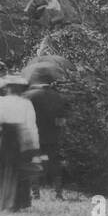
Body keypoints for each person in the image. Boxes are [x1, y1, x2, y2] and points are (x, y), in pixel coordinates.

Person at [0, 75, 41, 211]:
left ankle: (6, 200)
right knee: (20, 169)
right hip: (21, 137)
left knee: (5, 168)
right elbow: (31, 125)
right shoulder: (26, 103)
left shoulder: (0, 102)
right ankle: (19, 202)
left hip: (5, 136)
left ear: (8, 88)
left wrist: (4, 129)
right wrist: (35, 144)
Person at [28, 71, 68, 200]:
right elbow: (61, 121)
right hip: (52, 137)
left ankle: (35, 194)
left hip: (34, 136)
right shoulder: (59, 97)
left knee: (34, 162)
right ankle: (58, 193)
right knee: (54, 164)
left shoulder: (28, 96)